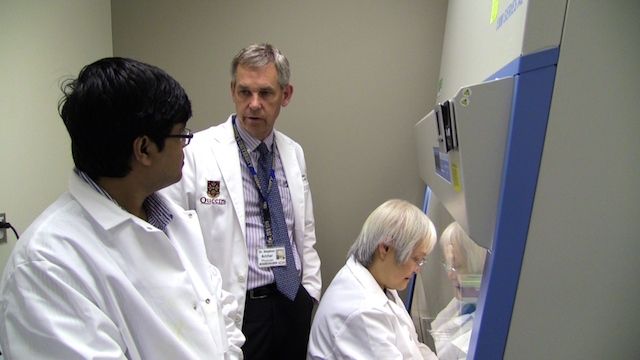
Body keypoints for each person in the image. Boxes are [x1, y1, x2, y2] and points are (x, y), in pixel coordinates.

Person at [0, 57, 245, 359]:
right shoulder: (46, 264)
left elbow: (221, 315)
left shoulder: (173, 221)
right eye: (181, 134)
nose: (186, 145)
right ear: (143, 149)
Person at [161, 43, 321, 359]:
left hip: (291, 300)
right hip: (239, 309)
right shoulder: (198, 152)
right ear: (233, 90)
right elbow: (170, 237)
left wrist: (309, 292)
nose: (254, 104)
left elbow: (304, 230)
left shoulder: (293, 152)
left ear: (286, 95)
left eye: (266, 93)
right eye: (245, 92)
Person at [307, 199, 438, 359]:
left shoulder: (380, 281)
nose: (418, 269)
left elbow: (414, 346)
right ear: (385, 248)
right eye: (416, 259)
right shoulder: (363, 311)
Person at [429, 221, 487, 360]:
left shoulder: (487, 326)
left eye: (457, 267)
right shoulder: (464, 300)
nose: (450, 275)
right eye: (448, 266)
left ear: (479, 267)